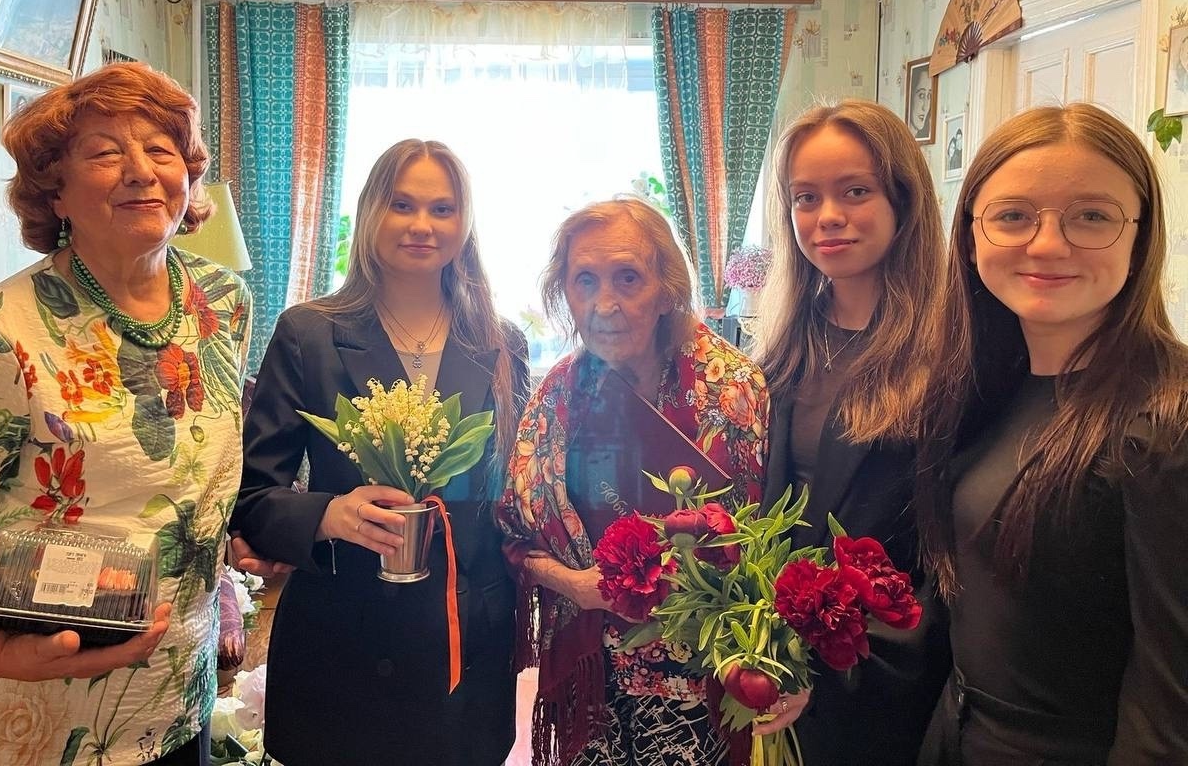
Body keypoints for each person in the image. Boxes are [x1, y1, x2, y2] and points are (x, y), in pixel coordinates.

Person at [0, 61, 252, 765]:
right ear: (55, 190)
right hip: (23, 711)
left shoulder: (221, 304)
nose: (140, 172)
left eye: (160, 150)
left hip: (174, 700)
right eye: (104, 153)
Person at [229, 139, 529, 766]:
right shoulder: (308, 333)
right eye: (402, 204)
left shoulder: (502, 343)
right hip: (343, 635)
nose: (422, 225)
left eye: (442, 209)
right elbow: (252, 497)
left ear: (465, 223)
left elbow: (515, 497)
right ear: (371, 212)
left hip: (464, 642)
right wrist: (328, 514)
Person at [915, 103, 1188, 764]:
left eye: (1091, 216)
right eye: (1013, 215)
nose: (1047, 245)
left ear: (1139, 237)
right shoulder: (985, 388)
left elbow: (1171, 710)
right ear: (971, 234)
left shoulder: (1166, 425)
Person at [496, 196, 772, 766]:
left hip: (705, 675)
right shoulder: (556, 397)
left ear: (666, 289)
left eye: (628, 278)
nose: (605, 304)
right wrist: (572, 583)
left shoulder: (731, 390)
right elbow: (513, 535)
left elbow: (764, 543)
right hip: (593, 672)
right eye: (585, 280)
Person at [753, 100, 951, 765]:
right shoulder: (781, 352)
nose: (828, 216)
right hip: (774, 672)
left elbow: (950, 562)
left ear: (903, 201)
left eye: (855, 191)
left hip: (881, 689)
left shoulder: (952, 358)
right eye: (806, 197)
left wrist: (832, 666)